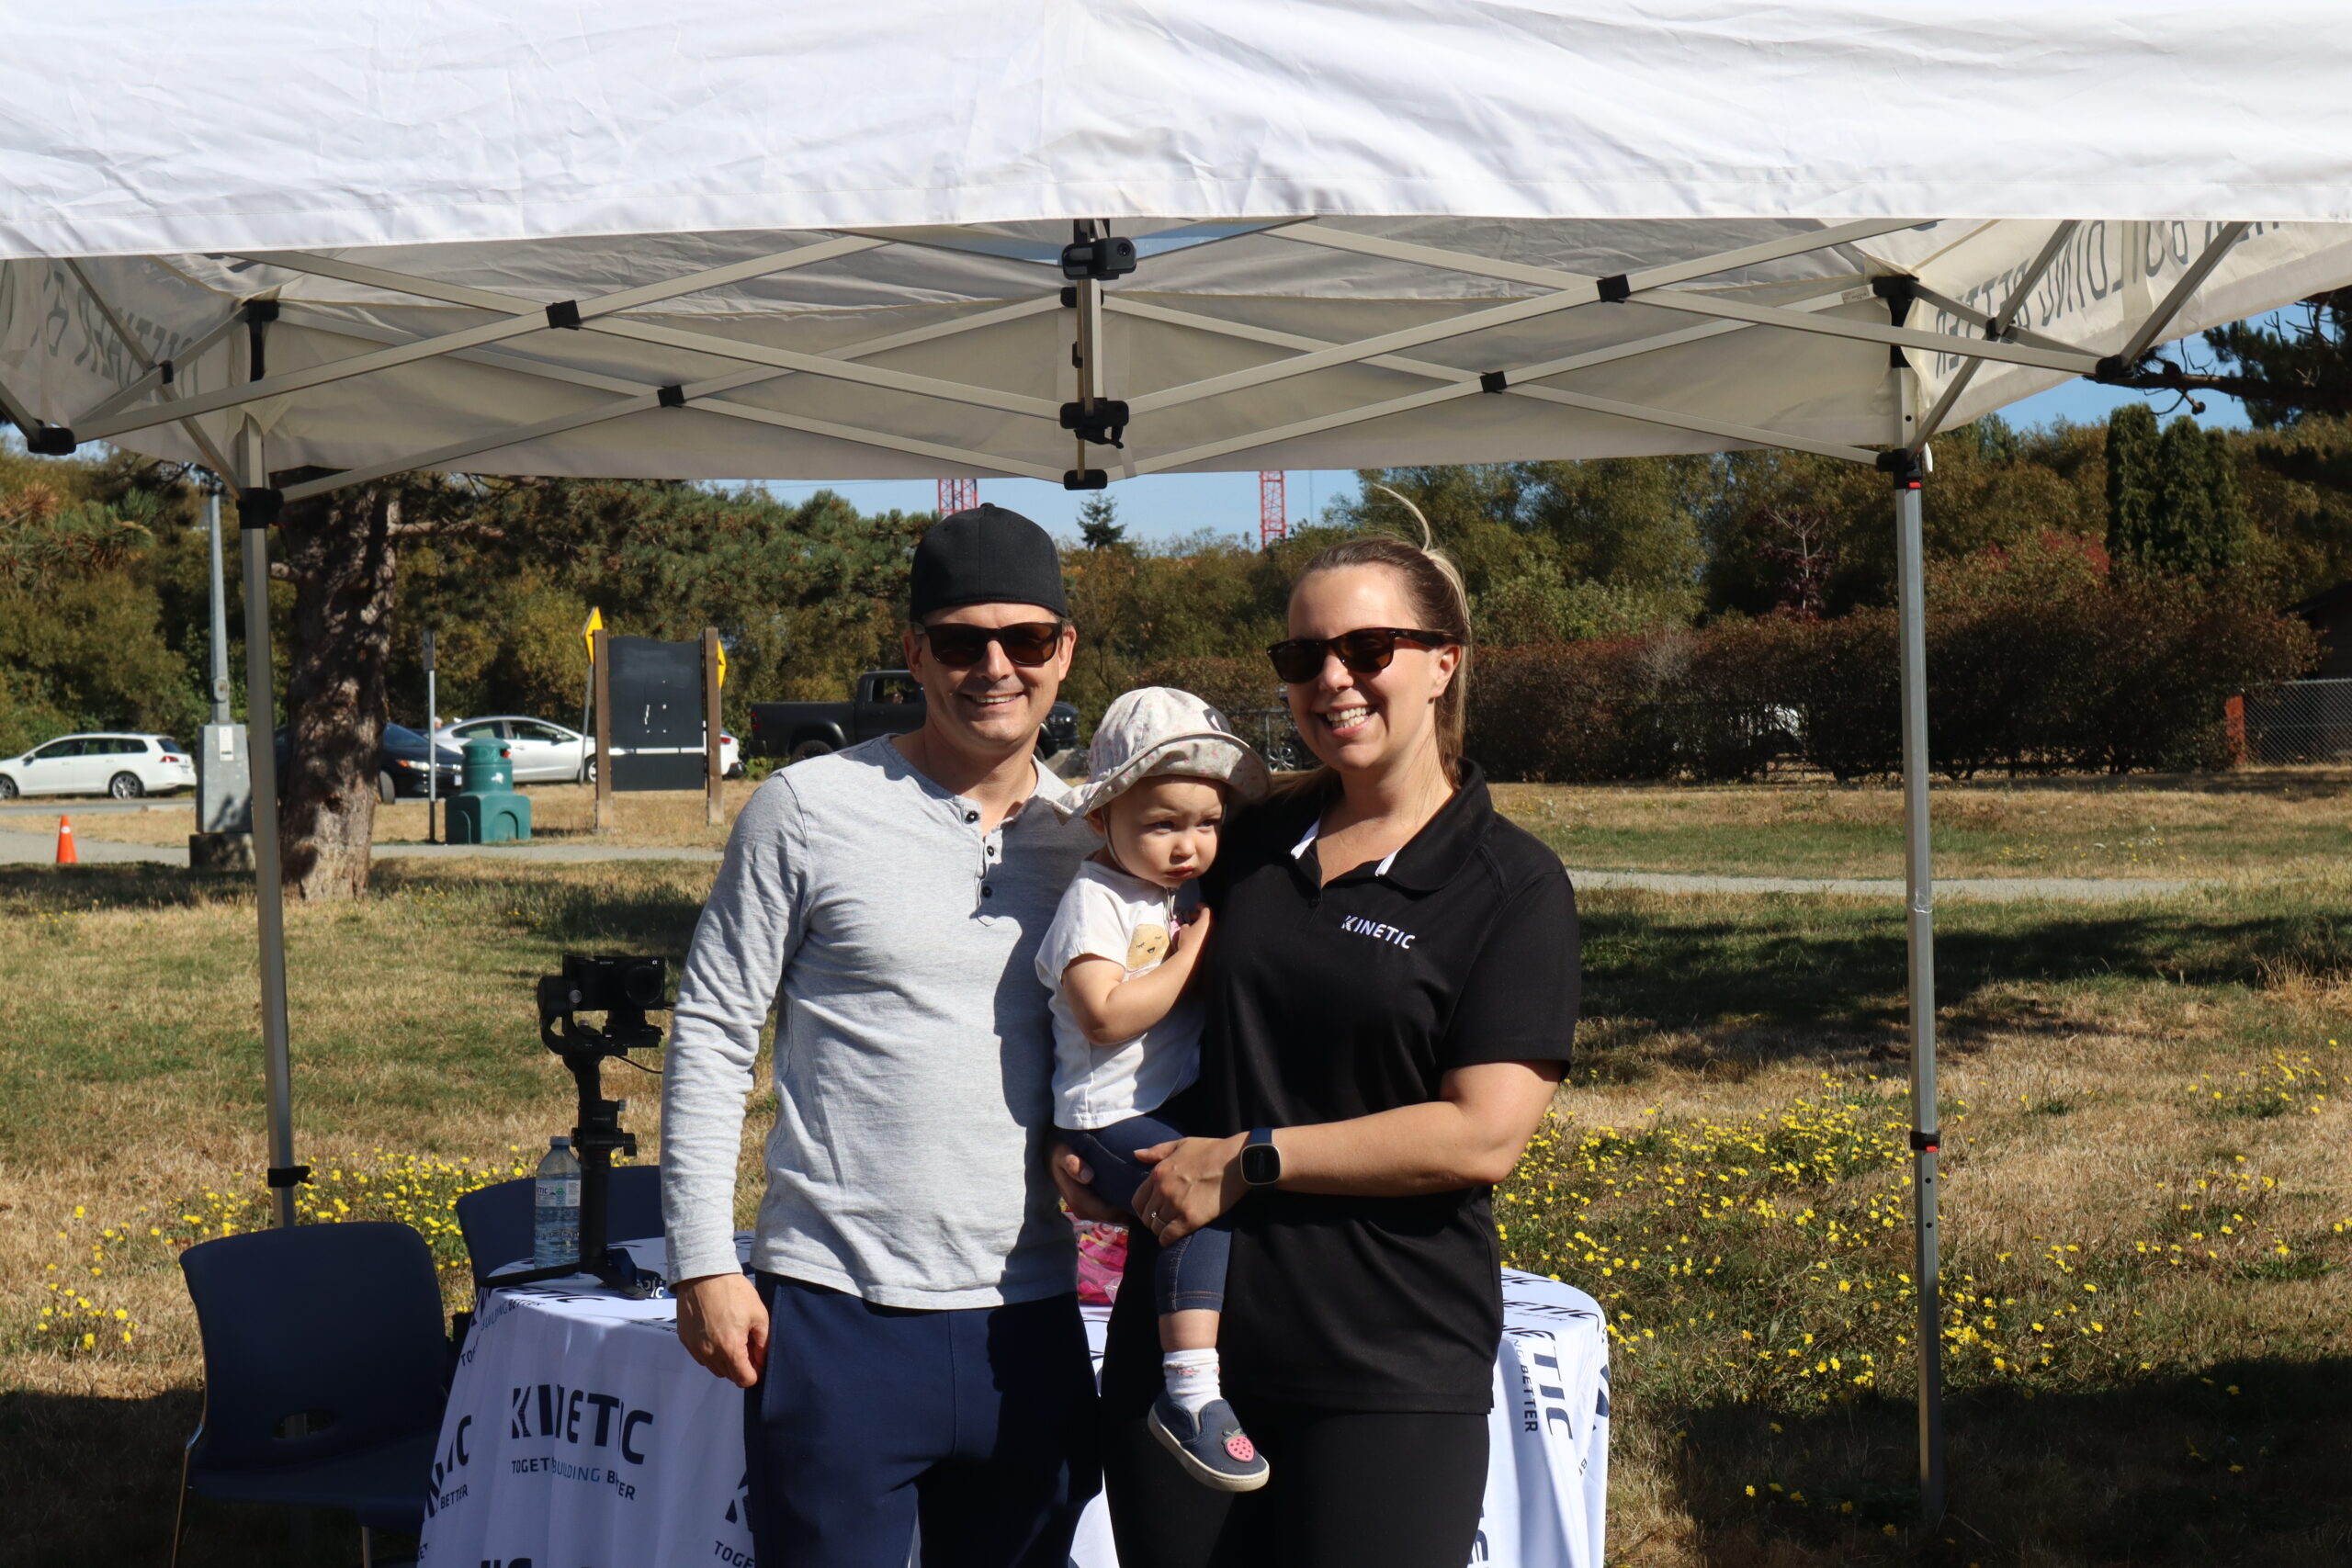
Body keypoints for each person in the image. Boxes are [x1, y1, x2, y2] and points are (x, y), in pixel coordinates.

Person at [1066, 527, 1581, 1568]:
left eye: (1367, 648)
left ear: (1444, 661)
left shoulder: (1509, 884)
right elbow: (1106, 971)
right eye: (1302, 656)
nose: (1331, 678)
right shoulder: (1238, 842)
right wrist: (1079, 1142)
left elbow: (1483, 1135)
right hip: (1184, 1352)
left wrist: (1249, 1157)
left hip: (1382, 1365)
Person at [662, 503, 1101, 1568]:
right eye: (959, 642)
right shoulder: (807, 807)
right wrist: (702, 1263)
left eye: (1024, 640)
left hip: (1029, 1316)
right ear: (914, 652)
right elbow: (714, 1031)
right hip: (835, 1312)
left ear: (1063, 650)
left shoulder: (1097, 838)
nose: (993, 668)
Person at [1038, 686, 1271, 1491]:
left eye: (1206, 823)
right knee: (1194, 1198)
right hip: (1105, 1112)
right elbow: (1102, 1015)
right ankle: (1190, 1393)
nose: (1188, 845)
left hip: (1162, 1100)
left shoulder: (1173, 889)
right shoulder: (1095, 900)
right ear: (1104, 817)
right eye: (1164, 824)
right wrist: (1188, 958)